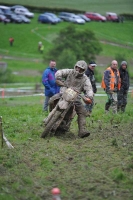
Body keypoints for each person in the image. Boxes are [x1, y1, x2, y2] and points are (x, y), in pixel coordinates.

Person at [55, 60, 94, 138]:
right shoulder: (70, 72)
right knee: (52, 99)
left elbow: (89, 89)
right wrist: (58, 76)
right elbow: (60, 72)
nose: (78, 70)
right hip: (63, 93)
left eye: (81, 69)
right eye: (77, 67)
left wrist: (89, 96)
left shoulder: (85, 79)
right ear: (75, 66)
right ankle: (49, 117)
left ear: (84, 70)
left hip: (75, 98)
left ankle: (82, 130)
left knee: (82, 111)